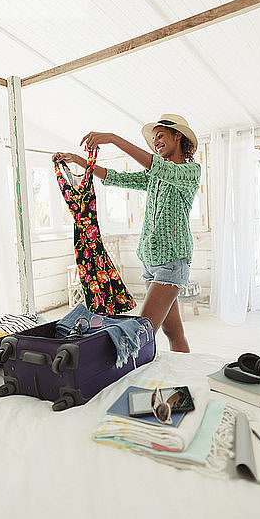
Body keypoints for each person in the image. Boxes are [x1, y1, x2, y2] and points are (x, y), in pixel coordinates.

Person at [52, 114, 201, 353]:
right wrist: (80, 160)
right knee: (173, 332)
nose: (156, 142)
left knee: (139, 335)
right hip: (151, 262)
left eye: (160, 136)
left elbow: (157, 166)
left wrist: (111, 138)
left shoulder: (190, 171)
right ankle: (184, 377)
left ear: (178, 136)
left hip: (172, 262)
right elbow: (116, 177)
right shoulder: (154, 177)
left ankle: (142, 381)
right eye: (153, 139)